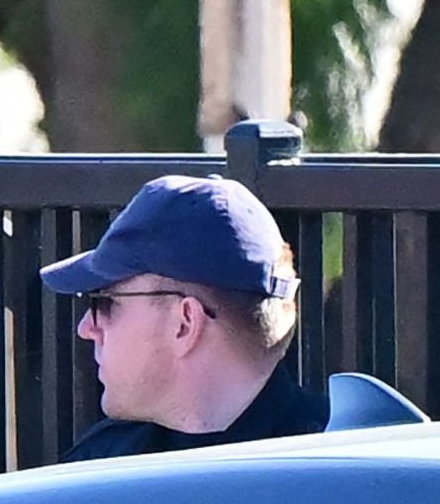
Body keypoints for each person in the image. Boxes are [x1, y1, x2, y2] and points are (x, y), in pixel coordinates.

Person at [43, 175, 321, 458]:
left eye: (105, 304)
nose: (86, 328)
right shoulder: (342, 464)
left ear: (184, 323)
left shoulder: (102, 477)